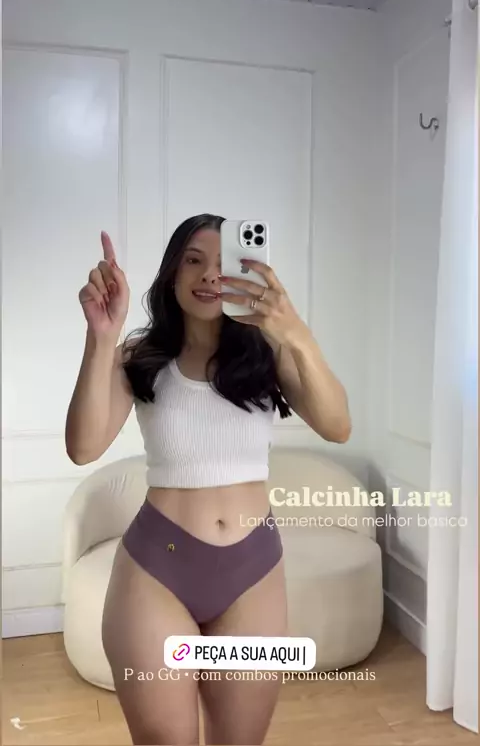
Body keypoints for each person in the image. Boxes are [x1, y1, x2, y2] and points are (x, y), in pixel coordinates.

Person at [65, 213, 351, 746]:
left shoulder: (269, 355)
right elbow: (82, 448)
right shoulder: (141, 357)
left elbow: (338, 426)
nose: (209, 275)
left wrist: (295, 332)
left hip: (252, 574)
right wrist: (101, 337)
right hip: (156, 572)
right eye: (193, 261)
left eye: (224, 263)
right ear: (172, 274)